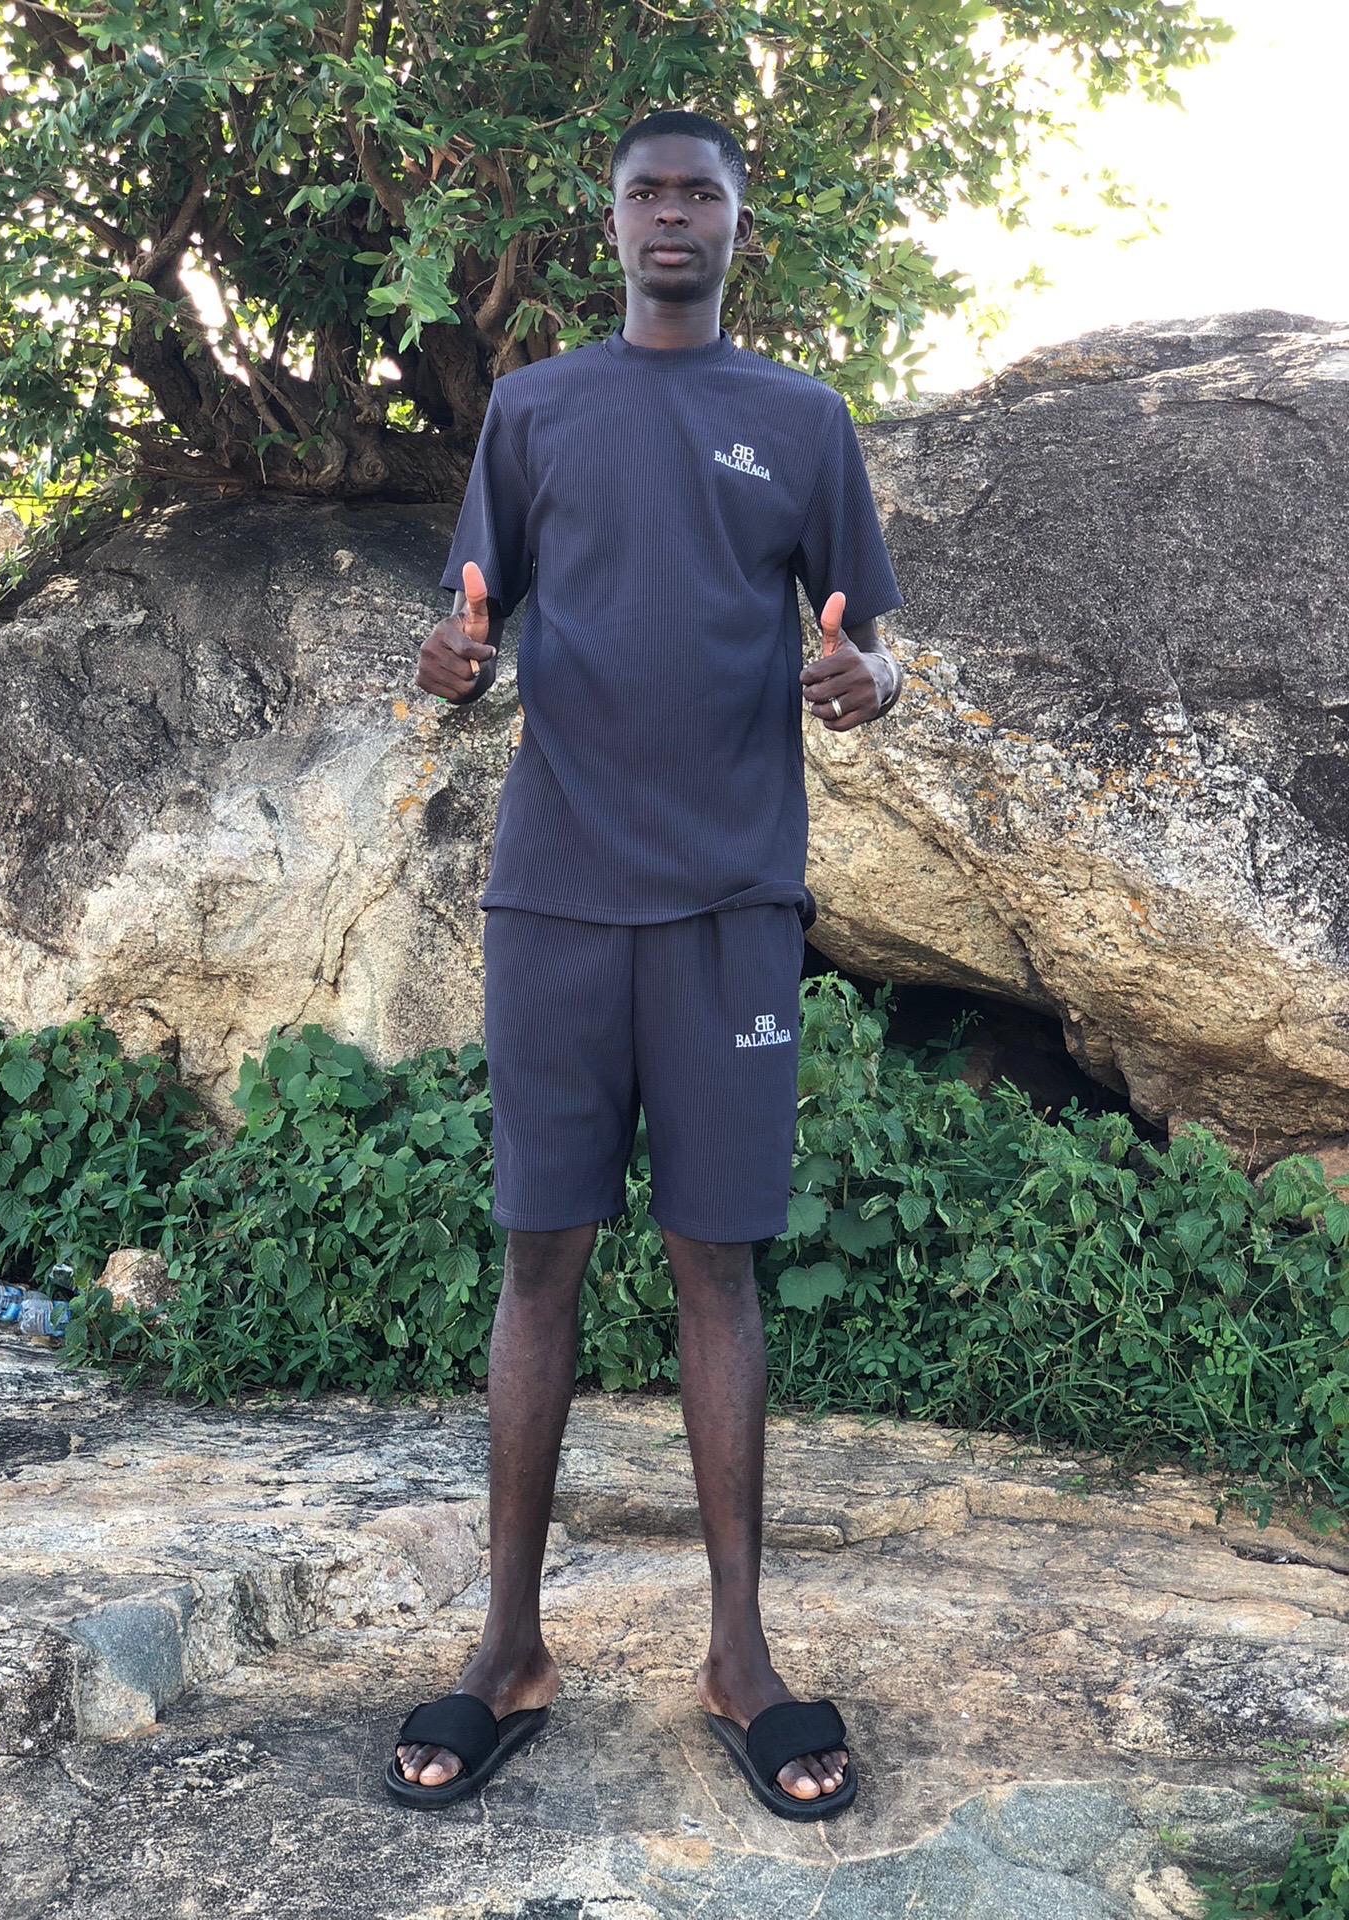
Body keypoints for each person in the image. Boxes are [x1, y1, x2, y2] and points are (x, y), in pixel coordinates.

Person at [386, 108, 903, 1822]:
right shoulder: (536, 410)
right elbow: (468, 618)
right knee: (539, 1260)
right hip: (554, 895)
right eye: (644, 193)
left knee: (714, 1264)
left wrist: (871, 685)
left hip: (733, 898)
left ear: (740, 226)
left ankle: (740, 1655)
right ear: (609, 225)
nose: (671, 215)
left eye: (701, 193)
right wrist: (452, 660)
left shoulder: (801, 419)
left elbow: (874, 644)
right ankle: (507, 1651)